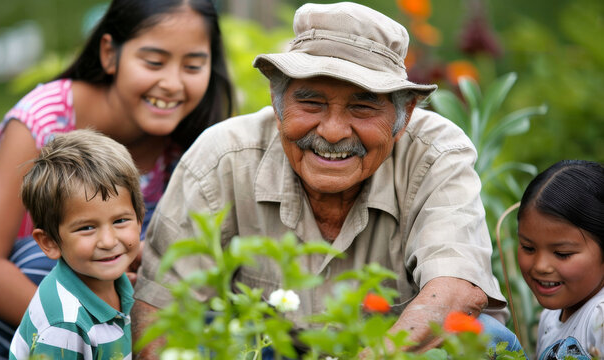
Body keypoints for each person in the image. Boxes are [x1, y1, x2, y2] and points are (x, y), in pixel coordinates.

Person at [132, 2, 521, 358]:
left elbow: (456, 291)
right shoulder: (223, 156)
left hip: (390, 352)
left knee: (487, 338)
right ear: (277, 99)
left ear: (404, 116)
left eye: (363, 105)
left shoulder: (436, 153)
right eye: (311, 102)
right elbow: (160, 310)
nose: (333, 132)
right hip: (262, 349)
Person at [0, 0, 233, 358]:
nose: (172, 83)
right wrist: (84, 331)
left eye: (193, 65)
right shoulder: (45, 121)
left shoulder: (192, 142)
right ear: (109, 53)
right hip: (30, 327)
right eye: (153, 62)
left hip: (123, 321)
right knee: (47, 257)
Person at [8, 129, 143, 359]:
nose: (109, 241)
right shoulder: (64, 326)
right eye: (87, 228)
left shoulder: (116, 281)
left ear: (140, 218)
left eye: (120, 221)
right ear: (49, 242)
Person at [517, 160, 604, 360]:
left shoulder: (600, 318)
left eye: (562, 253)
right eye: (528, 248)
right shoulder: (550, 316)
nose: (540, 266)